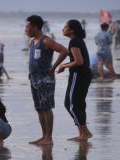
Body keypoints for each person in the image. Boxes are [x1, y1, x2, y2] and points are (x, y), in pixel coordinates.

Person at [25, 15, 68, 146]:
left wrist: (54, 67)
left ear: (36, 27)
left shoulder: (46, 41)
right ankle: (43, 136)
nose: (26, 30)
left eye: (28, 27)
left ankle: (49, 137)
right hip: (34, 79)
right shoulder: (32, 42)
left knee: (46, 108)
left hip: (45, 80)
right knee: (39, 108)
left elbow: (64, 51)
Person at [57, 19, 93, 141]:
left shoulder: (74, 42)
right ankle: (84, 133)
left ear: (71, 30)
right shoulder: (77, 41)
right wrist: (67, 65)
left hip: (79, 75)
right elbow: (80, 61)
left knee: (70, 104)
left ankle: (84, 133)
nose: (63, 29)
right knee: (78, 104)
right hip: (84, 74)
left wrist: (63, 66)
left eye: (65, 27)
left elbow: (79, 62)